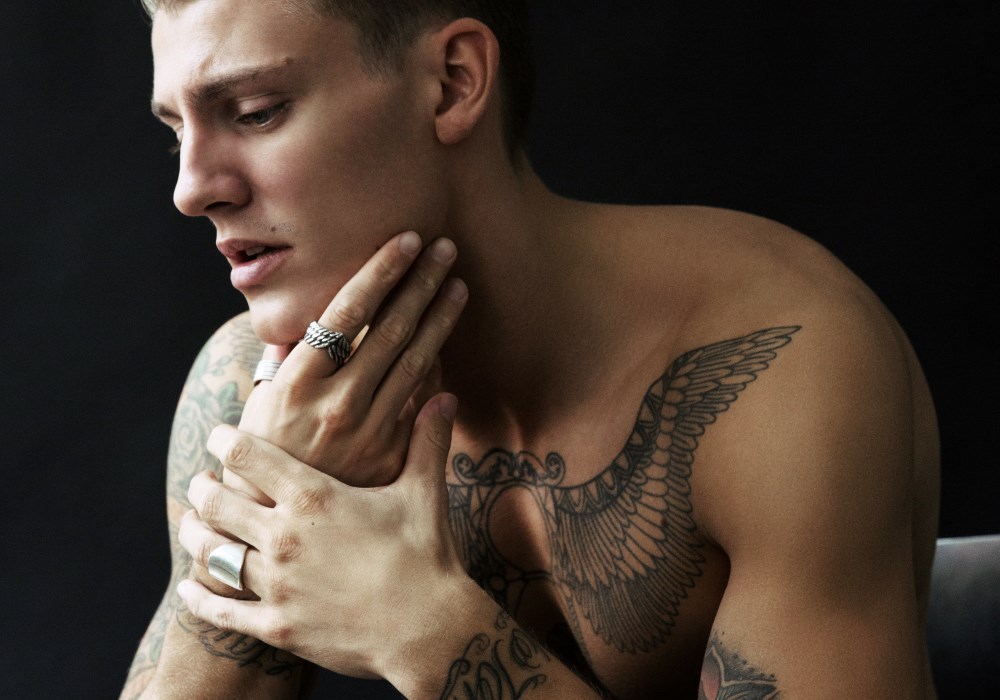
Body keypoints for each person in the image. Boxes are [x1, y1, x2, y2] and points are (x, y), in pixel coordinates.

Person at [121, 0, 941, 698]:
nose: (191, 189)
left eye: (255, 111)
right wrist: (239, 540)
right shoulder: (255, 393)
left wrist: (423, 629)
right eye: (176, 133)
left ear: (454, 82)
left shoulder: (783, 368)